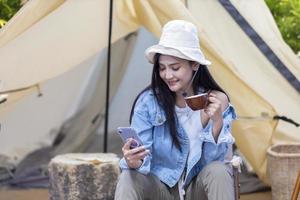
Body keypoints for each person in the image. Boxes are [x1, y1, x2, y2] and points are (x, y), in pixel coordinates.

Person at [114, 20, 237, 200]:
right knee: (128, 176)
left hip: (197, 189)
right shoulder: (148, 102)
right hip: (161, 189)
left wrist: (217, 122)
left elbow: (216, 162)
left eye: (175, 67)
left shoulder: (217, 101)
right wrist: (134, 161)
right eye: (162, 68)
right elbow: (143, 156)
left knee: (218, 171)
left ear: (194, 64)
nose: (167, 75)